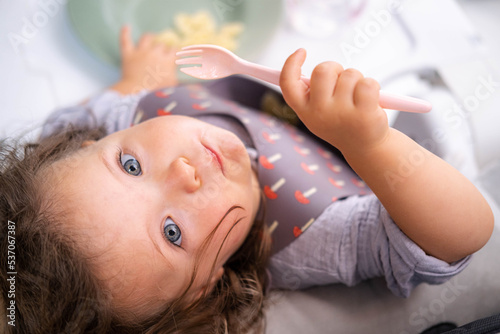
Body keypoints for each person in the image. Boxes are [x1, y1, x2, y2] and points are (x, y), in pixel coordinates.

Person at [0, 26, 494, 334]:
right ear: (203, 286)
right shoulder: (306, 242)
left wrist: (137, 77)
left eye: (130, 166)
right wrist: (370, 145)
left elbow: (79, 113)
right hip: (423, 157)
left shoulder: (118, 117)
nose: (182, 173)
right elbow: (467, 232)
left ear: (90, 143)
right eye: (172, 232)